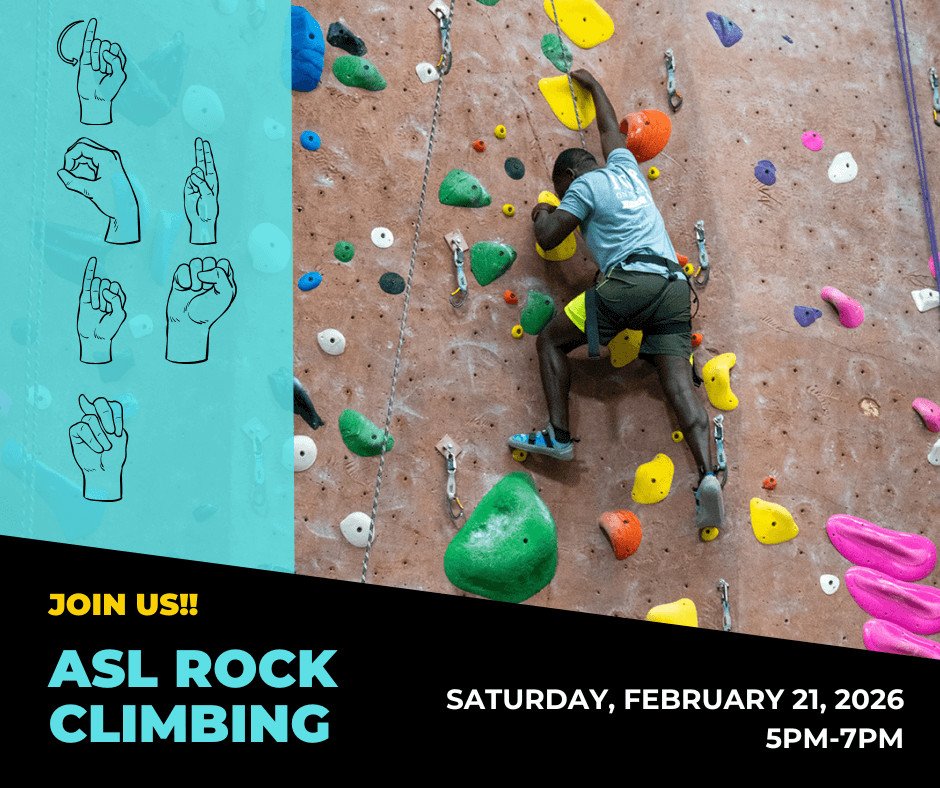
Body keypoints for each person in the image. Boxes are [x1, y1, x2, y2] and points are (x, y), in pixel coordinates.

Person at [507, 69, 724, 534]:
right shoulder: (625, 169)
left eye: (562, 188)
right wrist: (595, 87)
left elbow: (549, 238)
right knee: (678, 387)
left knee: (548, 341)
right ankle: (708, 473)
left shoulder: (582, 186)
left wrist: (543, 210)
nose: (568, 197)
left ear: (568, 177)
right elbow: (609, 129)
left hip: (631, 284)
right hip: (673, 288)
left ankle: (559, 437)